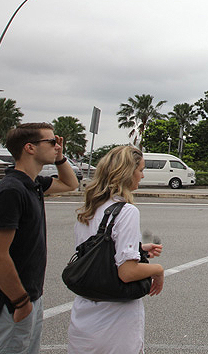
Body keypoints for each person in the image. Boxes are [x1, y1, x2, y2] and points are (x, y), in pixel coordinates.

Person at [0, 123, 79, 354]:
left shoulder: (33, 184)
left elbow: (71, 184)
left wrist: (60, 158)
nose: (57, 146)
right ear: (30, 148)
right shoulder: (11, 191)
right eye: (51, 142)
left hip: (29, 297)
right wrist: (20, 302)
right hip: (8, 303)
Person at [67, 145, 164, 354]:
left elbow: (95, 254)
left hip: (84, 317)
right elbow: (127, 272)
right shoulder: (127, 211)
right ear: (127, 173)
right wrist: (157, 270)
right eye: (140, 170)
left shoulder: (89, 209)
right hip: (115, 321)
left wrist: (138, 249)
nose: (142, 175)